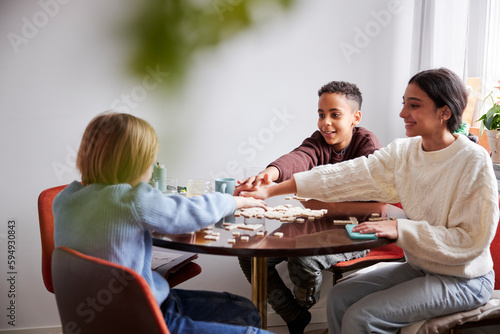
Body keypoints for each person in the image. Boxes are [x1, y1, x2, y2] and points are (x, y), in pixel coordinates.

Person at [240, 68, 499, 333]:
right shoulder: (404, 151)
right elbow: (346, 174)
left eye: (414, 105)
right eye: (404, 104)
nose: (402, 113)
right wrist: (271, 190)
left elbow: (471, 239)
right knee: (340, 298)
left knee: (362, 318)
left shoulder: (473, 160)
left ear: (445, 112)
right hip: (423, 266)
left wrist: (401, 229)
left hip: (465, 279)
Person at [53, 111, 273, 334]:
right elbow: (189, 212)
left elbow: (113, 234)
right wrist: (235, 201)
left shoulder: (65, 200)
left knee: (244, 310)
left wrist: (166, 228)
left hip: (99, 317)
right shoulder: (131, 199)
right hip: (144, 318)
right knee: (252, 323)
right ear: (136, 164)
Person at [234, 81, 382, 334]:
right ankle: (294, 315)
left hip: (359, 229)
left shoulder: (368, 146)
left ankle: (304, 304)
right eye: (321, 114)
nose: (325, 122)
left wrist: (319, 204)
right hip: (315, 221)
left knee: (303, 258)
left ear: (355, 117)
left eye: (335, 114)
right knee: (250, 255)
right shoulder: (319, 141)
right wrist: (268, 174)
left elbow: (374, 206)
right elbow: (299, 156)